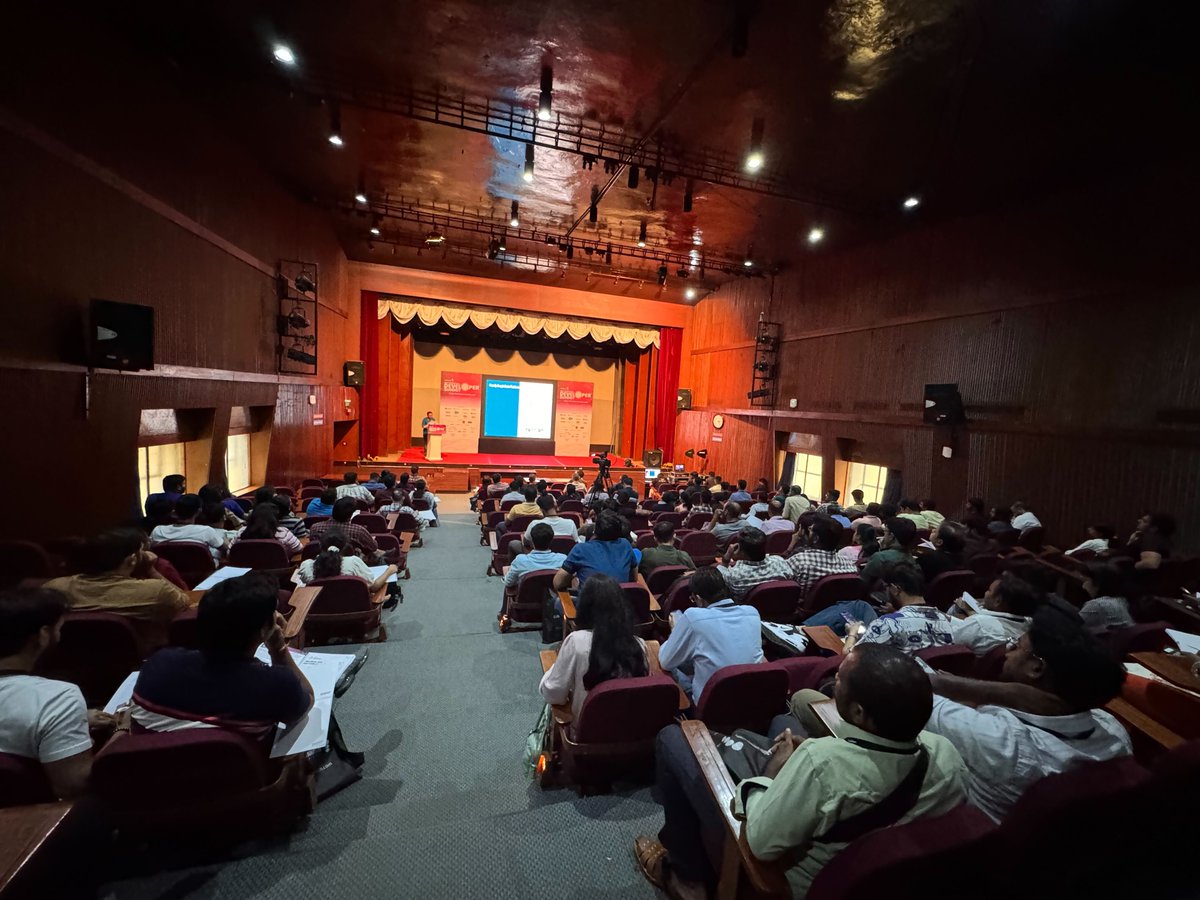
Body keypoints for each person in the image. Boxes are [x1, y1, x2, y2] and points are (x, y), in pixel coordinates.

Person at [637, 643, 967, 899]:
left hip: (785, 877)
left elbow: (759, 844)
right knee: (783, 722)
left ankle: (687, 879)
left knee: (673, 738)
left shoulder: (820, 763)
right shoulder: (946, 754)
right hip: (874, 869)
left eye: (840, 680)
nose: (834, 682)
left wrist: (775, 772)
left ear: (859, 712)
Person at [922, 604, 1131, 822]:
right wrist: (1011, 695)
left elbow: (914, 687)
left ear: (1036, 668)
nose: (1007, 651)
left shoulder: (1002, 741)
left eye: (1016, 645)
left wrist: (991, 691)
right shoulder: (1114, 731)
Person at [131, 575, 314, 733]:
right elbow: (306, 703)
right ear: (264, 629)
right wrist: (278, 648)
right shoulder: (277, 685)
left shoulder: (159, 663)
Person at [0, 588, 110, 799]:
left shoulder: (54, 706)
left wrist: (70, 720)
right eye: (58, 629)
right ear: (43, 635)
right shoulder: (59, 698)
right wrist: (122, 732)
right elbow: (73, 787)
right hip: (36, 813)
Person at [45, 529, 191, 653]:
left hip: (72, 660)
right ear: (132, 559)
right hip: (141, 660)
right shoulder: (156, 591)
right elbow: (185, 603)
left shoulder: (54, 588)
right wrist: (151, 570)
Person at [539, 574, 650, 720]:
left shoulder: (576, 642)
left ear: (584, 606)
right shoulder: (639, 644)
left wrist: (554, 667)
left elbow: (553, 694)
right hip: (629, 728)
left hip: (586, 729)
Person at [659, 567, 763, 701]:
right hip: (752, 698)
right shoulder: (752, 612)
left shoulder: (693, 617)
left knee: (668, 661)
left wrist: (675, 633)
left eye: (693, 599)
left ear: (698, 598)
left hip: (710, 704)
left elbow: (666, 662)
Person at [848, 563, 953, 655]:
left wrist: (852, 634)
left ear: (895, 589)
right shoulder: (949, 621)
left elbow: (851, 656)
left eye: (886, 587)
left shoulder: (886, 624)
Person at [949, 571, 1042, 655]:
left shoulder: (979, 624)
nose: (986, 593)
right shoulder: (1030, 625)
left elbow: (952, 643)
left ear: (997, 601)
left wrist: (966, 618)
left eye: (989, 590)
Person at [553, 510, 639, 591]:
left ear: (595, 531)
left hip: (589, 601)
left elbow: (557, 583)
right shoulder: (626, 545)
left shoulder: (580, 549)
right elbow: (634, 578)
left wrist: (573, 577)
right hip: (621, 600)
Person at [297, 527, 395, 593]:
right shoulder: (353, 562)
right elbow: (374, 587)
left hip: (319, 613)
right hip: (355, 611)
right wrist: (389, 571)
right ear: (345, 546)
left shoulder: (306, 566)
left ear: (320, 546)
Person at [716, 526, 793, 602]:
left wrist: (726, 559)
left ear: (741, 551)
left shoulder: (735, 575)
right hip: (779, 606)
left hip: (747, 609)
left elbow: (719, 576)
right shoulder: (780, 562)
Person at [784, 517, 857, 595]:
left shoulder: (798, 561)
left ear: (815, 538)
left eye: (810, 530)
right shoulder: (850, 566)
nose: (808, 531)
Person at [150, 493, 228, 562]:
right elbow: (226, 550)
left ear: (174, 511)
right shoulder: (206, 531)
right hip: (204, 571)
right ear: (199, 511)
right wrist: (225, 540)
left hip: (166, 571)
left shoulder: (158, 531)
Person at [308, 498, 382, 562]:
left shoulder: (315, 528)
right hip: (352, 564)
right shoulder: (359, 531)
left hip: (321, 563)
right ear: (350, 515)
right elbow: (374, 547)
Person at [858, 517, 917, 583]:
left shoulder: (879, 558)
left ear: (891, 536)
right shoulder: (913, 560)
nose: (883, 536)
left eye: (885, 532)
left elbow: (863, 579)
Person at [1078, 562, 1135, 628]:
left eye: (1086, 581)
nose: (1083, 586)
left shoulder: (1097, 605)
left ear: (1098, 583)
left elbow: (1073, 625)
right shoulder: (1122, 601)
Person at [235, 504, 302, 556]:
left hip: (246, 570)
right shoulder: (283, 533)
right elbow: (299, 548)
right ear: (275, 518)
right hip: (279, 569)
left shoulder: (241, 532)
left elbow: (231, 553)